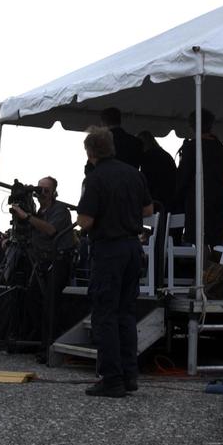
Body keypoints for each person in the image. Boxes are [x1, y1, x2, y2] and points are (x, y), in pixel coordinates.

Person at [77, 126, 153, 398]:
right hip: (133, 248)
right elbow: (148, 209)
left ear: (91, 151)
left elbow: (85, 221)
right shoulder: (134, 173)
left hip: (108, 251)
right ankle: (129, 375)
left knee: (105, 315)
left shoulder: (96, 178)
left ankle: (111, 379)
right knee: (125, 314)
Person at [11, 177, 76, 364]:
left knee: (50, 303)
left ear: (54, 192)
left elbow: (50, 230)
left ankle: (49, 347)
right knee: (33, 300)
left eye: (46, 190)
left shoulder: (60, 210)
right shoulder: (38, 211)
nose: (42, 193)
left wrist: (27, 217)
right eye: (39, 189)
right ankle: (38, 341)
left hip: (59, 261)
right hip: (42, 262)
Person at [174, 109, 223, 251]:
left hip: (197, 201)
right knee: (215, 242)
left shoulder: (193, 147)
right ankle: (213, 272)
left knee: (200, 241)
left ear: (193, 125)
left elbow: (184, 176)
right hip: (217, 200)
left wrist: (177, 196)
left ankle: (203, 272)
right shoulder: (220, 147)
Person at [137, 131, 177, 211]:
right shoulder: (165, 155)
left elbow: (147, 180)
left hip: (157, 199)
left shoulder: (148, 157)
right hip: (170, 197)